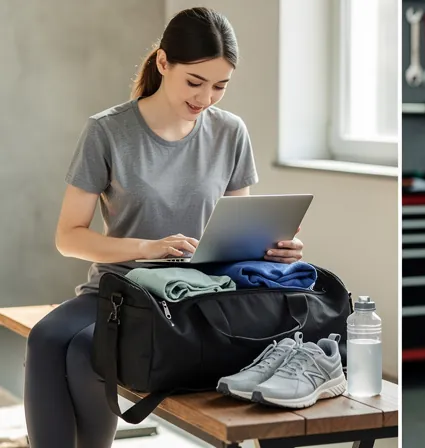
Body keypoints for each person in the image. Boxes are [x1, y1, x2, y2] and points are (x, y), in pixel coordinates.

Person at [24, 7, 304, 448]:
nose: (206, 97)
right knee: (44, 339)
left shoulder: (231, 133)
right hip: (121, 289)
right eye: (195, 82)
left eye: (220, 86)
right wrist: (149, 247)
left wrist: (273, 249)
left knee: (83, 352)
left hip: (197, 294)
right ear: (162, 64)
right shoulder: (108, 131)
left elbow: (236, 235)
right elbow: (69, 236)